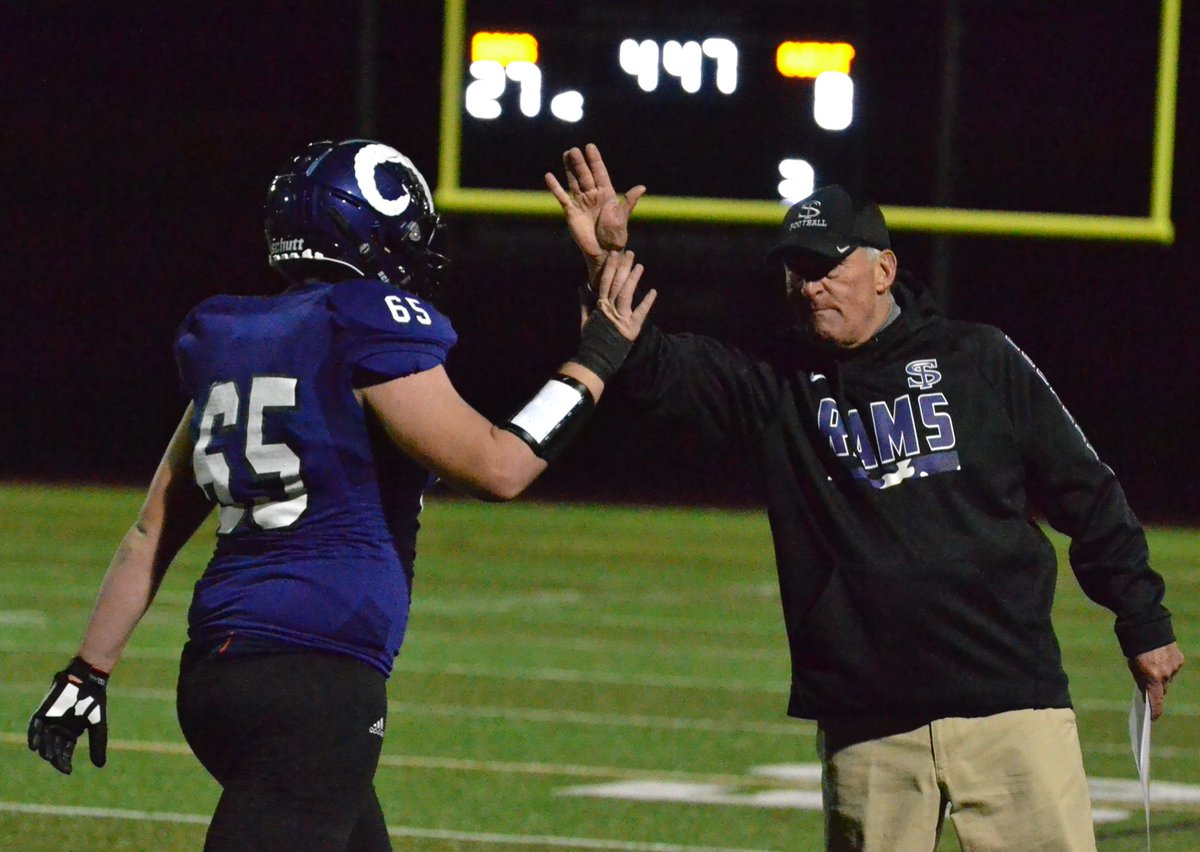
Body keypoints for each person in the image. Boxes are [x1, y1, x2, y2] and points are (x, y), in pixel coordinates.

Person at [545, 144, 1184, 851]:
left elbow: (1084, 489)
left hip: (1010, 706)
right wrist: (603, 263)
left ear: (883, 269)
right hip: (868, 724)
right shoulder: (778, 383)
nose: (807, 285)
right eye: (795, 270)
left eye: (824, 267)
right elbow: (649, 365)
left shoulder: (979, 359)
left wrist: (1143, 619)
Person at [26, 138, 655, 851]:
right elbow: (499, 466)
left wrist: (89, 669)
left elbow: (152, 529)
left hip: (218, 673)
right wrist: (599, 355)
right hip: (312, 680)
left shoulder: (232, 336)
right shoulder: (367, 320)